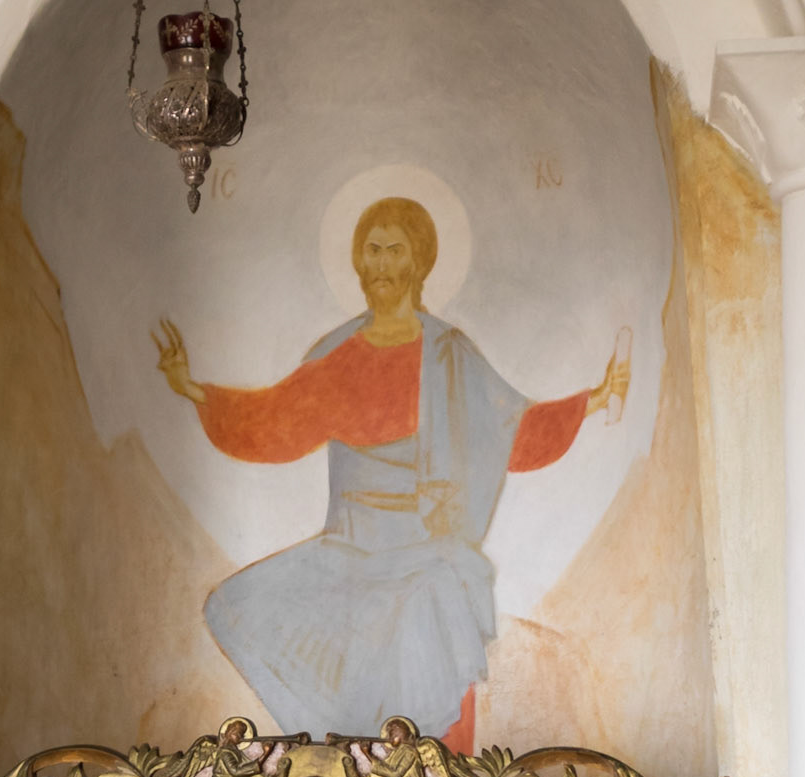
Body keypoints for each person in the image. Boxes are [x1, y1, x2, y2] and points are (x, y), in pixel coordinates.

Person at [153, 196, 629, 749]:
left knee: (434, 611)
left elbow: (511, 432)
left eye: (393, 251)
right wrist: (191, 388)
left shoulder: (448, 356)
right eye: (371, 251)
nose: (379, 264)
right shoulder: (337, 356)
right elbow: (273, 420)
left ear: (418, 263)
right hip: (348, 555)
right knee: (236, 606)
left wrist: (593, 400)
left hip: (425, 552)